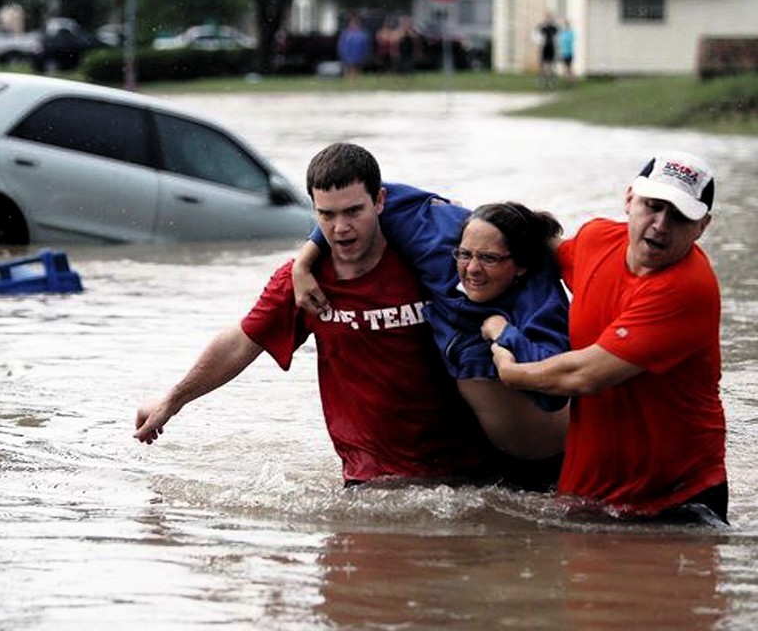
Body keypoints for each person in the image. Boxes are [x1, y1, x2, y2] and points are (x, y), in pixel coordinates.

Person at [134, 143, 501, 486]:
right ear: (313, 212)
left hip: (471, 472)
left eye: (353, 211)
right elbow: (240, 343)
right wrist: (172, 399)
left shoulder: (434, 264)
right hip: (369, 478)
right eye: (326, 214)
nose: (340, 228)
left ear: (380, 201)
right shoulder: (302, 282)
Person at [492, 151, 728, 524]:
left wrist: (511, 369)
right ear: (629, 199)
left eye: (679, 216)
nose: (661, 225)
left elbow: (583, 376)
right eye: (653, 206)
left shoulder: (687, 288)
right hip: (587, 496)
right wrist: (471, 225)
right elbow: (541, 247)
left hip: (675, 503)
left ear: (702, 227)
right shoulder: (597, 240)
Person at [292, 189, 571, 464]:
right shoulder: (440, 244)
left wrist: (503, 333)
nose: (472, 269)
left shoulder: (539, 298)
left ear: (521, 266)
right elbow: (366, 195)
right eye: (465, 254)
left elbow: (554, 391)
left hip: (545, 455)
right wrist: (303, 262)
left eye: (489, 258)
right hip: (475, 448)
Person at [337, 16, 371, 80]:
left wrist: (364, 55)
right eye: (352, 23)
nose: (353, 25)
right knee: (348, 67)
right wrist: (343, 54)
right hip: (347, 54)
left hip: (357, 55)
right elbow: (341, 45)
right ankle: (348, 79)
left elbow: (365, 46)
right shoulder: (346, 34)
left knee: (354, 68)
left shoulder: (362, 34)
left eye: (355, 23)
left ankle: (353, 79)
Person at [536, 14, 558, 87]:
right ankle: (544, 80)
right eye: (547, 18)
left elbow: (558, 34)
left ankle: (550, 80)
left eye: (550, 18)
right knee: (543, 65)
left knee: (550, 65)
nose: (548, 19)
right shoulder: (543, 28)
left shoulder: (554, 28)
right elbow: (538, 33)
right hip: (544, 48)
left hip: (551, 48)